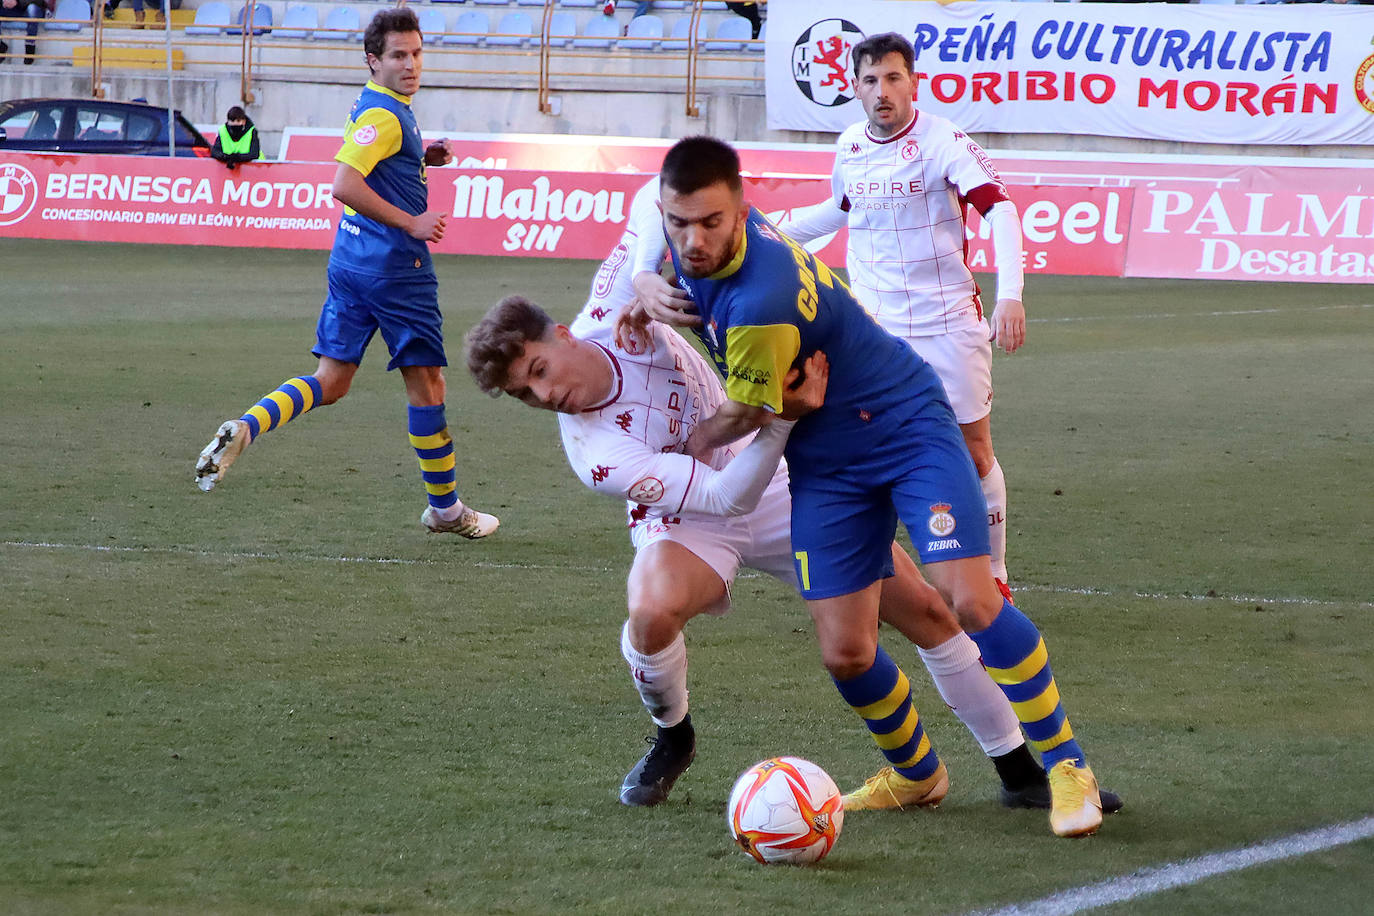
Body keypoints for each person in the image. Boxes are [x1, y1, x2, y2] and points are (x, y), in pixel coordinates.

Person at [465, 181, 1120, 816]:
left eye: (539, 372)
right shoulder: (593, 453)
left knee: (924, 608)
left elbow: (655, 191)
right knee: (651, 611)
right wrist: (780, 418)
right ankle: (673, 733)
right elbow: (721, 499)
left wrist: (642, 271)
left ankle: (1018, 770)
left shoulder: (615, 302)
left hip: (779, 482)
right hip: (695, 514)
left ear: (561, 334)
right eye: (526, 395)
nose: (545, 396)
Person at [617, 136, 1109, 838]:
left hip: (905, 429)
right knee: (846, 651)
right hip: (827, 466)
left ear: (742, 209)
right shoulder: (690, 233)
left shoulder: (759, 301)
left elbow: (750, 413)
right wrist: (642, 276)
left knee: (968, 597)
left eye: (710, 223)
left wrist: (685, 448)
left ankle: (1067, 767)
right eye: (678, 224)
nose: (692, 241)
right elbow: (649, 204)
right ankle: (916, 775)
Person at [194, 7, 499, 540]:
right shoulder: (385, 115)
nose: (411, 65)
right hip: (396, 270)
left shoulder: (373, 103)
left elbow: (372, 161)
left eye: (417, 53)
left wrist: (421, 157)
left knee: (330, 382)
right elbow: (343, 183)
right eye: (399, 56)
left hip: (349, 262)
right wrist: (415, 222)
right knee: (428, 386)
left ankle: (247, 427)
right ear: (373, 59)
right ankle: (446, 511)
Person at [770, 32, 1025, 598]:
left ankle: (996, 577)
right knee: (861, 446)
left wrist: (1011, 294)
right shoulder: (849, 146)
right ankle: (868, 568)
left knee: (972, 449)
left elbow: (999, 208)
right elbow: (837, 209)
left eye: (892, 78)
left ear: (913, 81)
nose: (882, 91)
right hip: (873, 333)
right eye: (870, 80)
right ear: (853, 88)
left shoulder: (944, 141)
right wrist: (759, 235)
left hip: (946, 325)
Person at [0, 0, 49, 65]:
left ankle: (30, 50)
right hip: (14, 10)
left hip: (31, 7)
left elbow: (40, 2)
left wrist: (17, 2)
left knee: (32, 9)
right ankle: (2, 46)